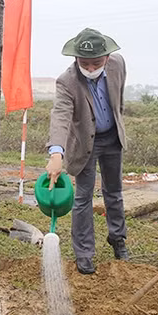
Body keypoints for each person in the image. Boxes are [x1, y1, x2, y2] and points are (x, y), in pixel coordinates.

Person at [46, 28, 129, 275]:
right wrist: (56, 154)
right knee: (83, 198)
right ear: (75, 59)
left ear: (106, 58)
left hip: (112, 137)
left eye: (96, 63)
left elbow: (119, 97)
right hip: (84, 143)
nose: (91, 68)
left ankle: (118, 238)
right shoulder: (67, 81)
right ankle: (84, 252)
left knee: (114, 192)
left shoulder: (117, 64)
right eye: (85, 63)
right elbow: (60, 116)